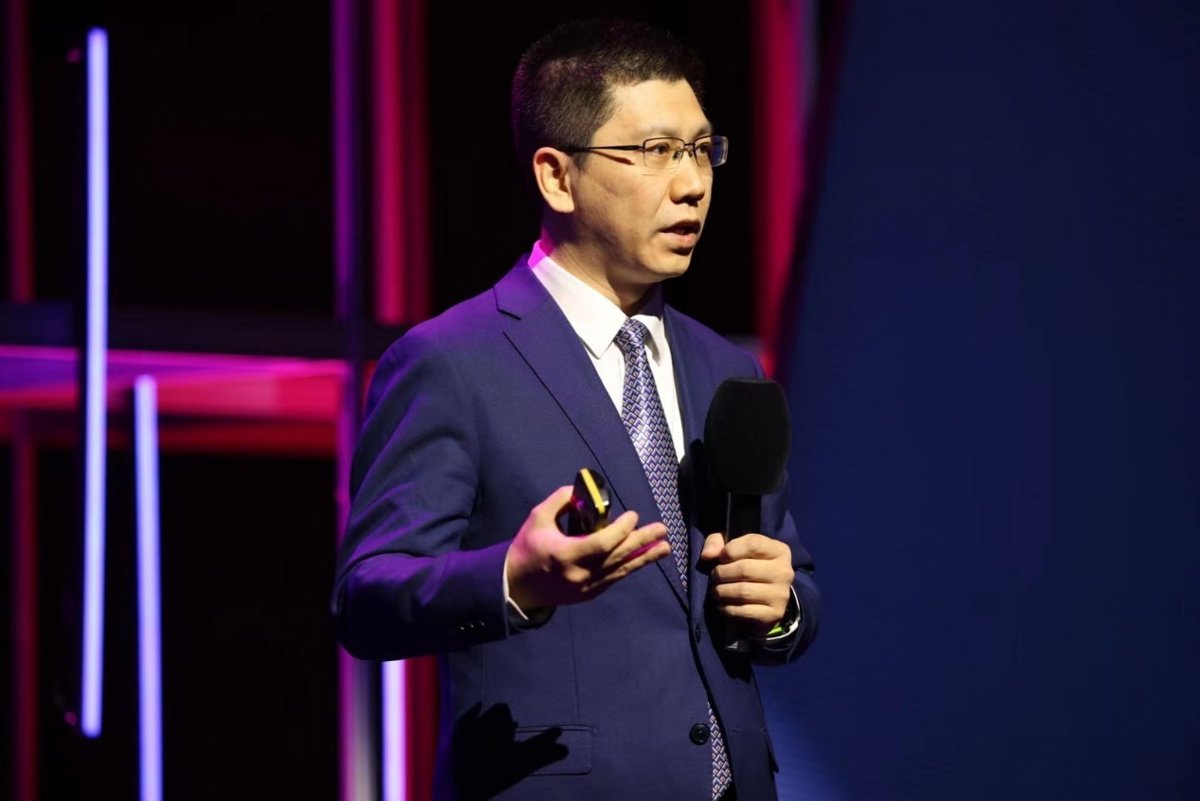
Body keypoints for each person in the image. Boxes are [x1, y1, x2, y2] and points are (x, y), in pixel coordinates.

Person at [332, 17, 820, 801]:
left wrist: (781, 605)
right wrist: (512, 579)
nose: (692, 183)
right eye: (656, 151)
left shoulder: (726, 369)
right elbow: (366, 598)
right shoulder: (452, 362)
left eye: (702, 150)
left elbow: (790, 578)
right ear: (557, 176)